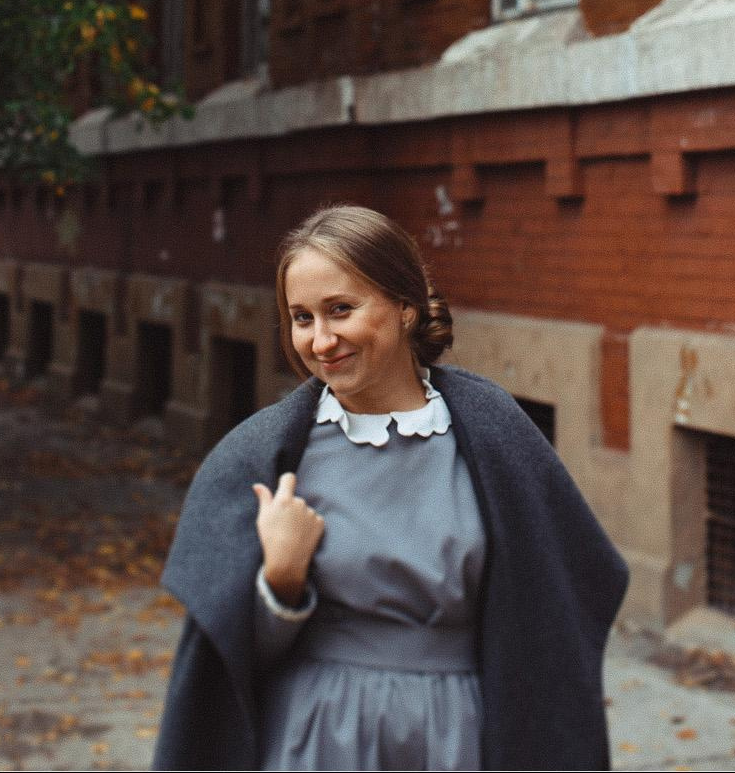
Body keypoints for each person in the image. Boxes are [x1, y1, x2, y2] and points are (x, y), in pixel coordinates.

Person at [152, 204, 628, 772]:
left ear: (404, 308)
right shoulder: (268, 456)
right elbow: (224, 663)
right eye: (301, 318)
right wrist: (280, 580)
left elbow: (559, 603)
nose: (321, 340)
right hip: (320, 735)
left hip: (459, 734)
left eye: (340, 310)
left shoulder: (495, 438)